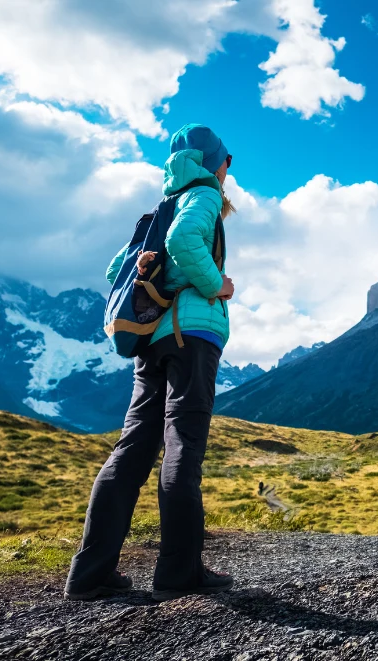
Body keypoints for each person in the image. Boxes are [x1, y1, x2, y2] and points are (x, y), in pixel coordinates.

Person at [64, 124, 236, 602]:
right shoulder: (202, 195)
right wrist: (215, 284)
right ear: (212, 163)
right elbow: (184, 241)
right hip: (190, 335)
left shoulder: (161, 207)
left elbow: (115, 267)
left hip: (151, 340)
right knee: (183, 444)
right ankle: (179, 571)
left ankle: (90, 572)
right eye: (227, 160)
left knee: (133, 448)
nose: (228, 170)